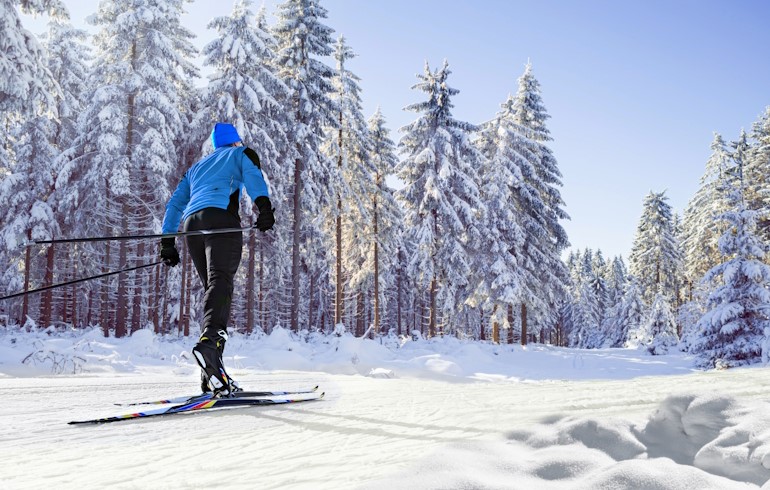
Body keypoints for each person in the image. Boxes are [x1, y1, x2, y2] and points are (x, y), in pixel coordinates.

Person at [160, 122, 275, 396]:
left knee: (214, 291)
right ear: (235, 141)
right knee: (220, 284)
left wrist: (168, 242)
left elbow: (175, 204)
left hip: (192, 226)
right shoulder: (241, 153)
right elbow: (254, 178)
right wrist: (265, 208)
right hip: (221, 220)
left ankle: (211, 373)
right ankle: (210, 344)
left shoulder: (196, 168)